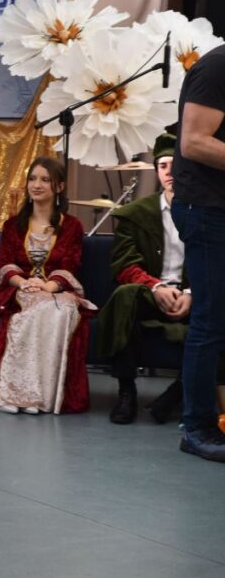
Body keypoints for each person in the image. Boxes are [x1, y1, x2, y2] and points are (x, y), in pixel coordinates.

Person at [0, 156, 95, 414]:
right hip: (20, 288)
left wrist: (48, 286)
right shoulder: (12, 225)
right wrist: (24, 283)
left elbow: (70, 263)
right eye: (32, 179)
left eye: (45, 179)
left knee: (63, 311)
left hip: (55, 290)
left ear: (59, 187)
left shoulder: (72, 226)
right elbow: (6, 263)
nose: (37, 185)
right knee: (33, 308)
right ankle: (13, 394)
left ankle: (41, 396)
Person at [97, 133, 188, 425]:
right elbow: (124, 264)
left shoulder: (207, 214)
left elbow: (215, 263)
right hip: (149, 294)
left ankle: (177, 394)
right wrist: (155, 286)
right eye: (163, 166)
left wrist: (191, 293)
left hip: (193, 297)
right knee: (124, 296)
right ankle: (126, 391)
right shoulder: (135, 214)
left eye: (175, 165)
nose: (169, 173)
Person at [170, 43, 225, 462]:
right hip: (207, 210)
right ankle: (197, 427)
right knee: (210, 320)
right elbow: (193, 142)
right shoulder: (218, 67)